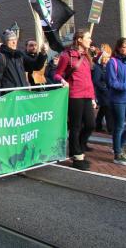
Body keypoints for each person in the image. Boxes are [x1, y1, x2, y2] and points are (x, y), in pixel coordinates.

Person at [54, 29, 96, 171]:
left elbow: (88, 79)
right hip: (74, 95)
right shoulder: (67, 56)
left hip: (87, 95)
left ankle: (79, 146)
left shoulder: (87, 55)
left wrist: (93, 97)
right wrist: (63, 81)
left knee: (91, 124)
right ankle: (77, 155)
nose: (90, 40)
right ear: (79, 40)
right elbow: (57, 74)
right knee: (76, 126)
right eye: (88, 38)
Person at [106, 38, 126, 166]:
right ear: (118, 48)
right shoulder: (112, 62)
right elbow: (112, 83)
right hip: (118, 100)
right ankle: (117, 154)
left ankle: (118, 146)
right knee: (119, 126)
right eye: (125, 47)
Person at [92, 46, 114, 133]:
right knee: (107, 109)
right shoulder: (98, 68)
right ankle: (111, 129)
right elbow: (96, 81)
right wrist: (104, 88)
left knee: (103, 110)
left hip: (105, 92)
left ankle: (97, 125)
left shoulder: (105, 67)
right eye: (107, 57)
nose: (109, 59)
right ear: (103, 58)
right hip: (102, 93)